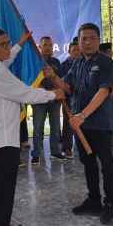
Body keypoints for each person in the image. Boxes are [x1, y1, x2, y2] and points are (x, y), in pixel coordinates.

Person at [0, 28, 65, 226]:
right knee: (4, 187)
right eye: (4, 44)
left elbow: (6, 61)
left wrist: (20, 44)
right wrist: (53, 94)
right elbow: (25, 93)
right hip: (3, 138)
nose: (8, 47)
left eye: (8, 43)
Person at [45, 22, 113, 224]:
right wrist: (54, 77)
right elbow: (68, 87)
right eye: (84, 39)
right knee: (88, 163)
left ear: (98, 40)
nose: (88, 42)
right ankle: (94, 200)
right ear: (79, 42)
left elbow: (103, 92)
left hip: (100, 124)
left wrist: (82, 115)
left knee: (107, 164)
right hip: (81, 125)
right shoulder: (77, 63)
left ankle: (109, 204)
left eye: (92, 38)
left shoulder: (106, 63)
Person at [31, 36, 66, 164]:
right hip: (39, 100)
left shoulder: (56, 62)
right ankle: (36, 154)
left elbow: (61, 79)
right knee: (38, 127)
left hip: (55, 100)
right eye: (45, 45)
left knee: (55, 127)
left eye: (50, 45)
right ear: (40, 47)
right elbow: (32, 80)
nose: (48, 48)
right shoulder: (35, 62)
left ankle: (55, 151)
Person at [61, 40, 81, 158]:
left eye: (78, 50)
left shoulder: (84, 63)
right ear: (69, 51)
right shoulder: (64, 65)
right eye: (74, 50)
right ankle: (67, 148)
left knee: (82, 122)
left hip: (82, 99)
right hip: (68, 99)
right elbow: (62, 81)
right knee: (68, 124)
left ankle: (81, 146)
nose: (76, 52)